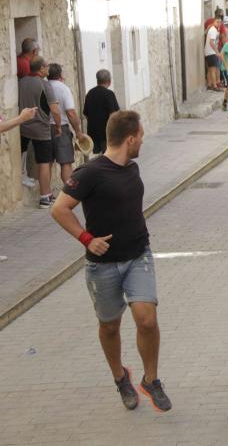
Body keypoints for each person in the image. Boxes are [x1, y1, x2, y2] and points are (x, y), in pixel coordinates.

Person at [51, 110, 172, 413]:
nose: (142, 141)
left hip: (138, 255)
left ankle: (152, 379)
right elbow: (60, 209)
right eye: (141, 137)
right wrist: (86, 239)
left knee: (147, 319)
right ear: (130, 139)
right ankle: (121, 378)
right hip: (102, 266)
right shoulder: (91, 172)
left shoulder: (132, 168)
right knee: (109, 327)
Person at [19, 56, 60, 208]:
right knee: (44, 162)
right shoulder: (45, 84)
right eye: (47, 66)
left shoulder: (21, 81)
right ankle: (45, 197)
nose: (48, 69)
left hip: (23, 126)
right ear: (41, 68)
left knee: (27, 156)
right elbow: (55, 110)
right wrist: (58, 126)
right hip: (41, 128)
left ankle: (48, 194)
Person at [47, 63, 85, 184]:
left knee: (46, 163)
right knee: (66, 162)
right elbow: (71, 113)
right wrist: (78, 132)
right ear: (60, 75)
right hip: (61, 128)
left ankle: (46, 194)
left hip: (44, 128)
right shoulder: (63, 89)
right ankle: (69, 191)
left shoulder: (44, 86)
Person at [83, 69, 120, 155]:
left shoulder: (90, 93)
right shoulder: (109, 94)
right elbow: (113, 115)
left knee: (101, 157)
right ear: (109, 81)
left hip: (93, 132)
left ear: (97, 80)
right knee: (109, 156)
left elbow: (86, 113)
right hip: (106, 133)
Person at [204, 15, 222, 91]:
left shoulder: (213, 29)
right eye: (217, 22)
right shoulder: (213, 30)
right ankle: (214, 86)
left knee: (210, 69)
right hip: (211, 52)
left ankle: (209, 84)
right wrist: (217, 52)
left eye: (220, 22)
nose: (219, 23)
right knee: (213, 69)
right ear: (214, 22)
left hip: (209, 52)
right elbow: (211, 42)